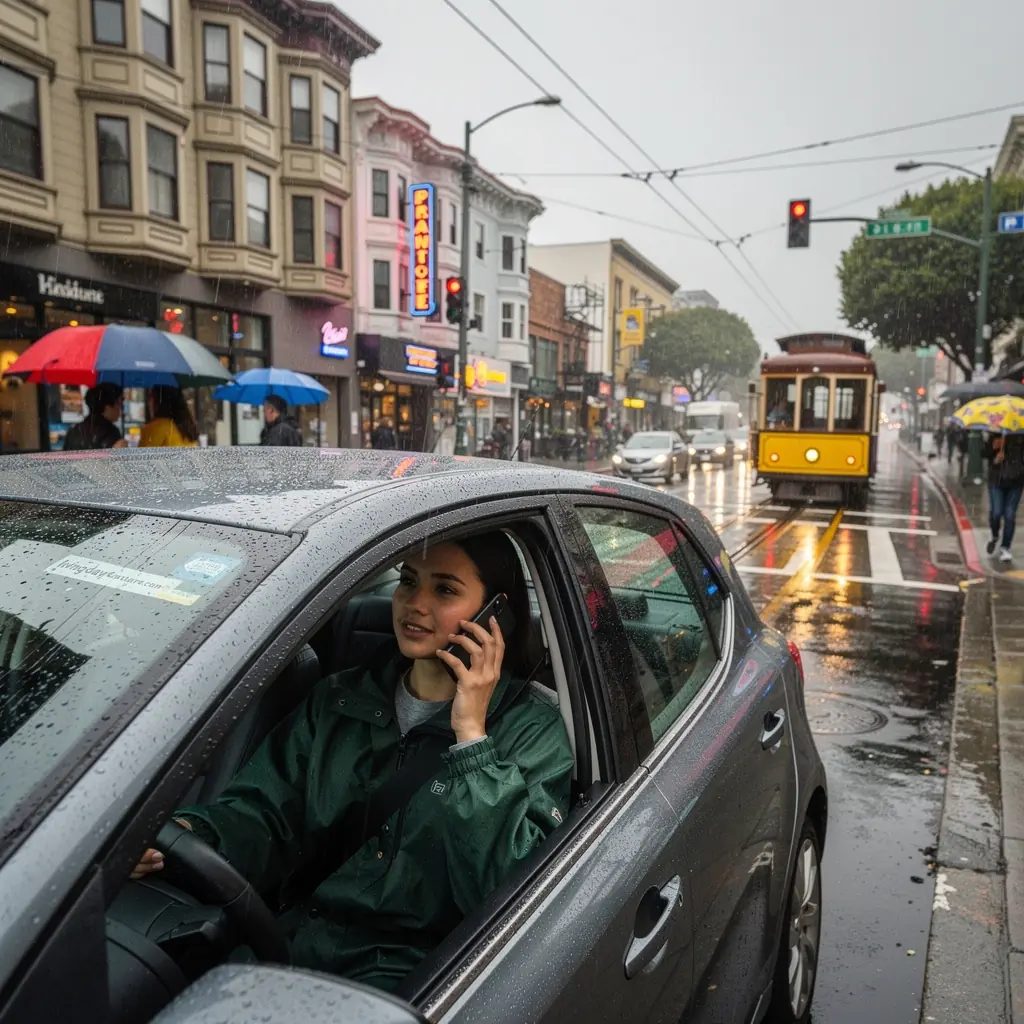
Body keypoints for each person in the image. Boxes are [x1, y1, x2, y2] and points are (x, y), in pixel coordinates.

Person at [132, 530, 574, 992]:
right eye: (408, 581)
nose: (415, 603)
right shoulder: (338, 698)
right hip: (287, 944)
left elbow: (510, 897)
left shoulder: (532, 730)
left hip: (419, 981)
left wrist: (471, 738)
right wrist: (189, 836)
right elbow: (264, 813)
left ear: (495, 613)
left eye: (444, 589)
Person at [986, 432, 1024, 563]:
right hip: (997, 482)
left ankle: (1005, 547)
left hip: (1016, 482)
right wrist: (995, 454)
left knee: (1009, 515)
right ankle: (995, 535)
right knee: (996, 513)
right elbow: (984, 453)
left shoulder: (1021, 436)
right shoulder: (997, 434)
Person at [63, 384, 126, 450]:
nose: (120, 409)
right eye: (119, 404)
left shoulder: (74, 430)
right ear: (107, 407)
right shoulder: (110, 432)